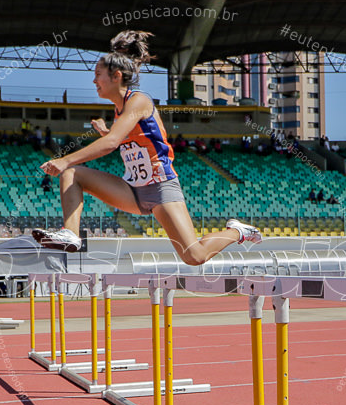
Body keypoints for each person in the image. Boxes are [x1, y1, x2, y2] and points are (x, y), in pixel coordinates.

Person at [33, 31, 261, 263]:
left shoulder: (139, 100)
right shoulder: (119, 109)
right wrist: (105, 132)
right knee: (72, 175)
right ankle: (71, 234)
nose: (94, 81)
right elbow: (124, 139)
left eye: (97, 75)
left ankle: (237, 231)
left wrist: (65, 159)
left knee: (194, 256)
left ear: (117, 76)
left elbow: (112, 144)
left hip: (161, 189)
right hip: (132, 189)